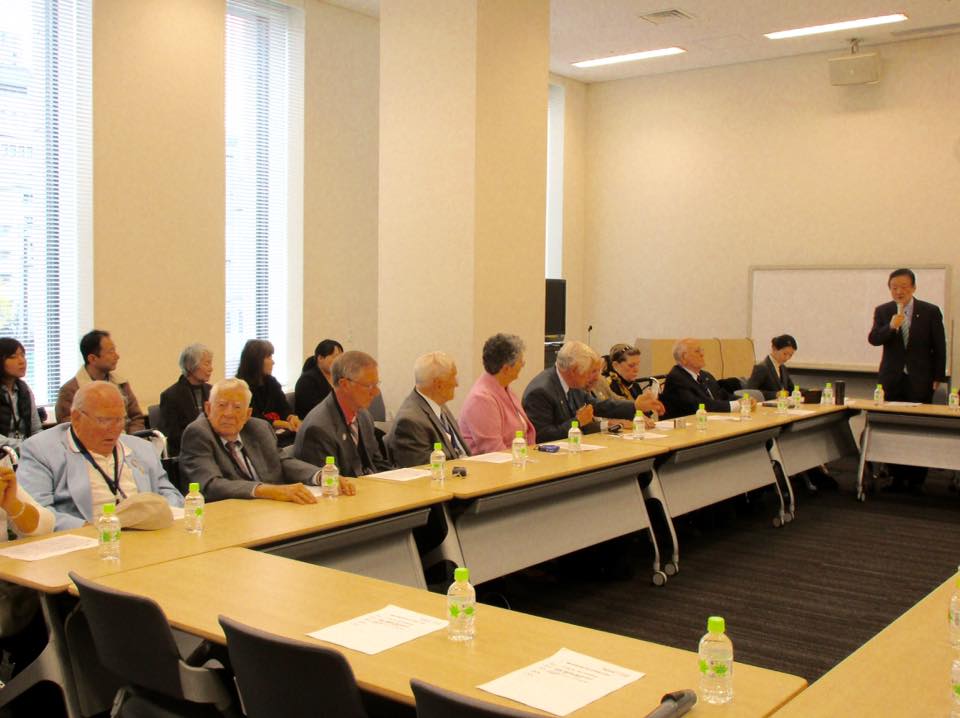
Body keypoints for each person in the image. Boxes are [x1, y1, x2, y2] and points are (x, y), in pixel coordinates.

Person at [18, 382, 183, 531]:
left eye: (120, 420)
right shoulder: (41, 450)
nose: (115, 429)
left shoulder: (142, 448)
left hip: (144, 535)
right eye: (104, 421)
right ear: (76, 418)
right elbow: (37, 511)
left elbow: (169, 493)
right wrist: (90, 529)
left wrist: (161, 514)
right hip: (87, 540)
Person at [179, 378, 352, 501]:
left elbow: (282, 462)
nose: (229, 413)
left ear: (248, 414)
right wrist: (269, 491)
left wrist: (320, 475)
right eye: (222, 405)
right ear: (208, 408)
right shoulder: (198, 433)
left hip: (268, 513)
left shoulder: (259, 428)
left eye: (237, 407)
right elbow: (211, 485)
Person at [868, 268, 946, 492]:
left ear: (913, 287)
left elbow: (939, 347)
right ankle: (895, 476)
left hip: (920, 379)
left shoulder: (930, 311)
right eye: (894, 287)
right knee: (892, 427)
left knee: (918, 428)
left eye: (903, 287)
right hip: (892, 379)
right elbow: (874, 339)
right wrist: (891, 327)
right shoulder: (883, 311)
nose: (898, 291)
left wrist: (938, 376)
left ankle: (916, 479)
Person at [522, 340, 664, 442]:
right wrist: (577, 421)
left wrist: (635, 406)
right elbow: (541, 437)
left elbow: (599, 406)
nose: (596, 378)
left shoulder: (573, 383)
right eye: (591, 372)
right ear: (574, 370)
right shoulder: (541, 392)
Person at [294, 351, 392, 476]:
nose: (376, 392)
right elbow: (330, 481)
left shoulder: (364, 416)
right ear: (344, 384)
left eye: (376, 384)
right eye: (369, 386)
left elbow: (377, 464)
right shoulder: (319, 428)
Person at [386, 352, 470, 467]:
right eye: (453, 376)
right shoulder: (410, 421)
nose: (457, 383)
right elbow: (425, 471)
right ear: (438, 384)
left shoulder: (439, 405)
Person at [55, 329, 146, 433]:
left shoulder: (121, 384)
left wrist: (131, 438)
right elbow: (69, 428)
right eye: (111, 352)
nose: (117, 356)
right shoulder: (70, 390)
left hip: (126, 440)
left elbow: (136, 418)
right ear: (92, 358)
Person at [459, 333, 536, 454]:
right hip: (495, 464)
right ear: (506, 369)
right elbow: (493, 450)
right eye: (520, 361)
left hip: (518, 459)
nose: (523, 364)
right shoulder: (481, 399)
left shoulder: (505, 388)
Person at [660, 338, 741, 419]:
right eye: (697, 351)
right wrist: (736, 405)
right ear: (684, 357)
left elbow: (722, 395)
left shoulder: (705, 375)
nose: (702, 354)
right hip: (688, 424)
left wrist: (743, 401)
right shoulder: (676, 379)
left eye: (701, 350)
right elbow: (700, 405)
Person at [157, 343, 214, 456]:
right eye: (207, 363)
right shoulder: (171, 396)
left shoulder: (212, 391)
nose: (211, 369)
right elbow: (173, 436)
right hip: (187, 452)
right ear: (190, 366)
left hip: (212, 448)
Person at [236, 339, 300, 435]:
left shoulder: (271, 382)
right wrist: (284, 424)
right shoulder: (240, 387)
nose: (273, 362)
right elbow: (253, 418)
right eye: (269, 357)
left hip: (277, 432)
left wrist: (291, 417)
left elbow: (283, 407)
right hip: (254, 434)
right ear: (256, 361)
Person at [0, 338, 43, 450]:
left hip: (26, 453)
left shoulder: (24, 389)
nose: (21, 361)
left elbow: (36, 429)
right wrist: (23, 445)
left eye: (23, 355)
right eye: (13, 357)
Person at [294, 339, 343, 420]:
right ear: (320, 358)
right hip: (314, 422)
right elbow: (316, 409)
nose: (339, 361)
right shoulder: (307, 380)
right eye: (335, 357)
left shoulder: (339, 378)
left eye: (340, 357)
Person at [747, 335, 798, 400]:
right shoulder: (762, 367)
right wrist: (774, 394)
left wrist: (807, 392)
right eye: (785, 354)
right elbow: (750, 392)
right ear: (774, 349)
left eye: (790, 355)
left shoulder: (783, 368)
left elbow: (791, 389)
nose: (787, 358)